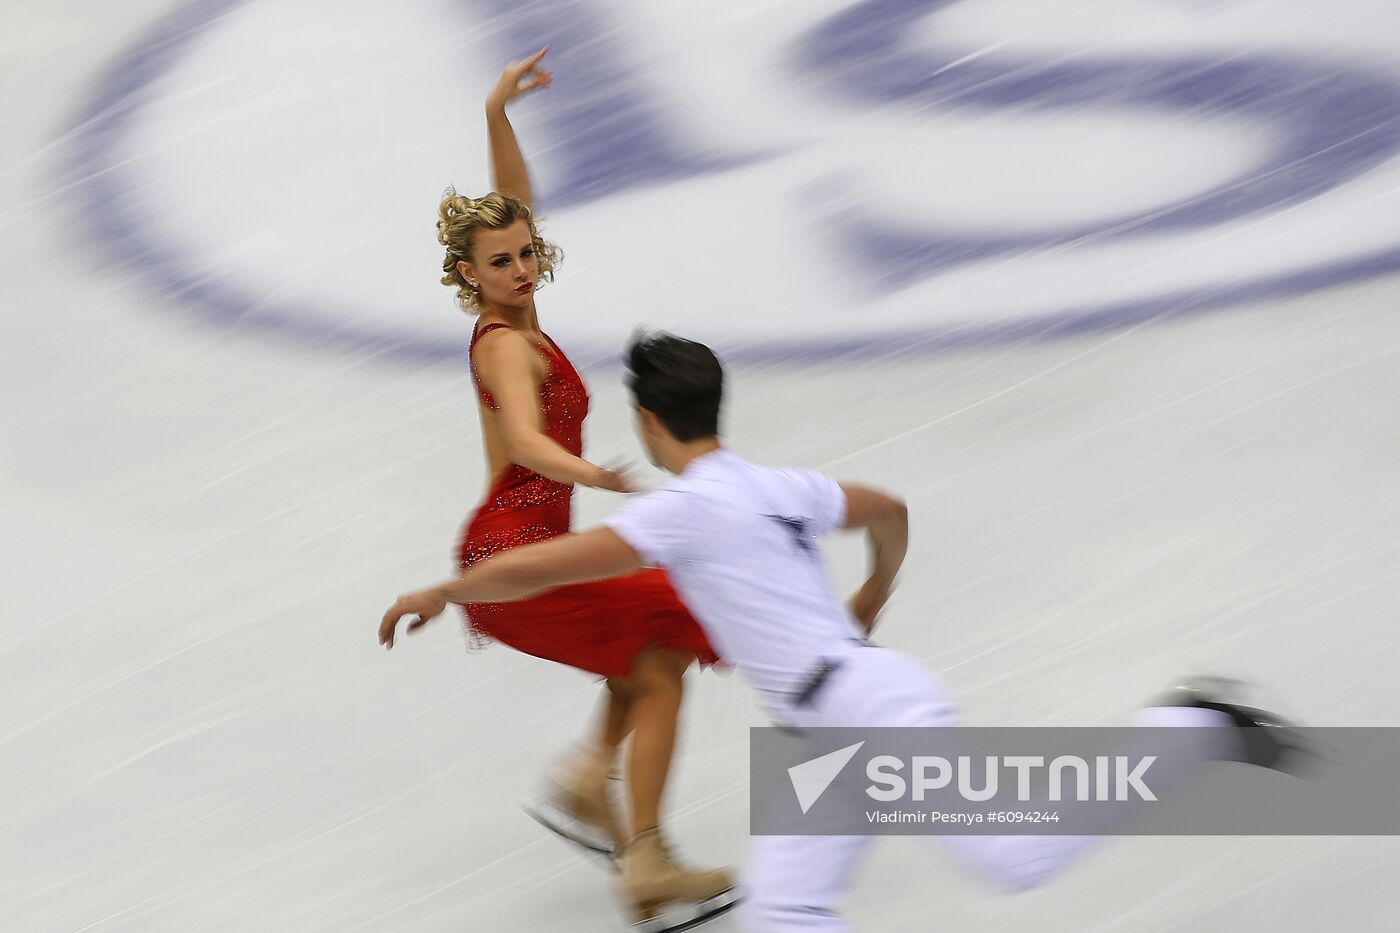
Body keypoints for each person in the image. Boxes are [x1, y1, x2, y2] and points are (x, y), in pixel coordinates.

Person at [380, 333, 1310, 932]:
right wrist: (874, 589)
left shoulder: (683, 513)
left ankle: (1202, 725)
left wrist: (445, 586)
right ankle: (1205, 726)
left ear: (649, 423)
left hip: (864, 714)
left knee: (1016, 859)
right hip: (843, 722)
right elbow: (888, 508)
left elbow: (540, 566)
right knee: (782, 913)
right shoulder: (780, 485)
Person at [397, 48, 733, 920]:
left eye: (523, 255)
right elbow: (521, 438)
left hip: (539, 546)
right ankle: (643, 855)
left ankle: (593, 781)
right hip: (511, 548)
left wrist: (498, 116)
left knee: (652, 645)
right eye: (500, 261)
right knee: (661, 662)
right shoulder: (504, 343)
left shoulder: (522, 309)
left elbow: (517, 205)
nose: (520, 268)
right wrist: (592, 471)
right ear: (468, 276)